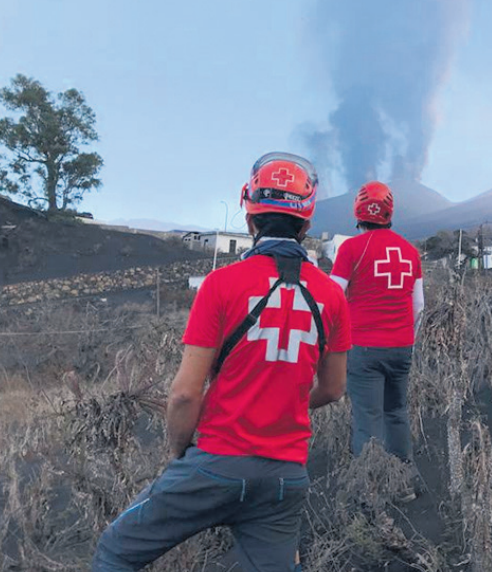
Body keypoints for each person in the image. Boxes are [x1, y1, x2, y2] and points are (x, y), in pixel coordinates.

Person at [93, 152, 351, 571]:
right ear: (307, 223)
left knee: (116, 550)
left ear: (249, 219)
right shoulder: (333, 296)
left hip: (215, 465)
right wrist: (283, 405)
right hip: (285, 477)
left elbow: (184, 394)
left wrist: (179, 452)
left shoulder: (221, 284)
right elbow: (334, 388)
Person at [330, 181, 424, 467]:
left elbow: (333, 297)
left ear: (358, 213)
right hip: (402, 347)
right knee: (396, 412)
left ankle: (369, 494)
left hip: (364, 348)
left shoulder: (350, 248)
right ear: (389, 213)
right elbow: (419, 306)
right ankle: (403, 482)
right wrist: (408, 338)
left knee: (367, 420)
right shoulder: (410, 251)